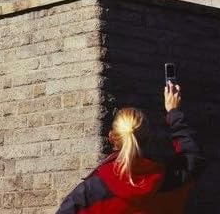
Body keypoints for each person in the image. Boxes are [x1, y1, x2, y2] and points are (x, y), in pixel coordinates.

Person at [54, 82, 205, 213]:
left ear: (112, 137)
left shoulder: (91, 191)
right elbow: (193, 156)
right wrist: (173, 112)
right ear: (148, 138)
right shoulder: (171, 180)